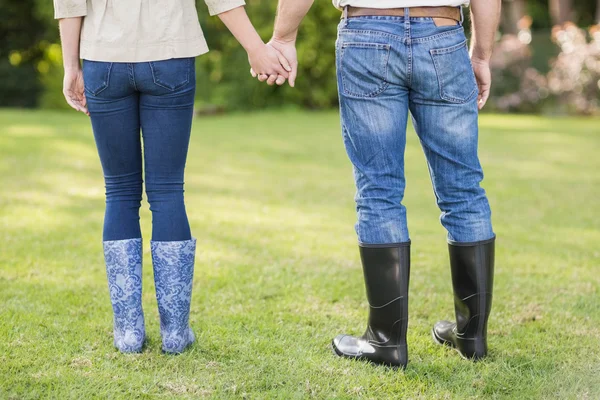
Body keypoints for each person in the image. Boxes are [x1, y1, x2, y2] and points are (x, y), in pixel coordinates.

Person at [262, 0, 500, 368]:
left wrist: (283, 36)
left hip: (366, 36)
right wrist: (481, 54)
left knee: (379, 190)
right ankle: (472, 336)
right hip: (443, 34)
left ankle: (386, 341)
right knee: (464, 190)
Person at [54, 0, 291, 354]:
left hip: (103, 58)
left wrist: (71, 66)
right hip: (170, 53)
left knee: (119, 193)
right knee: (167, 192)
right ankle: (176, 334)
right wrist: (256, 49)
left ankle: (129, 334)